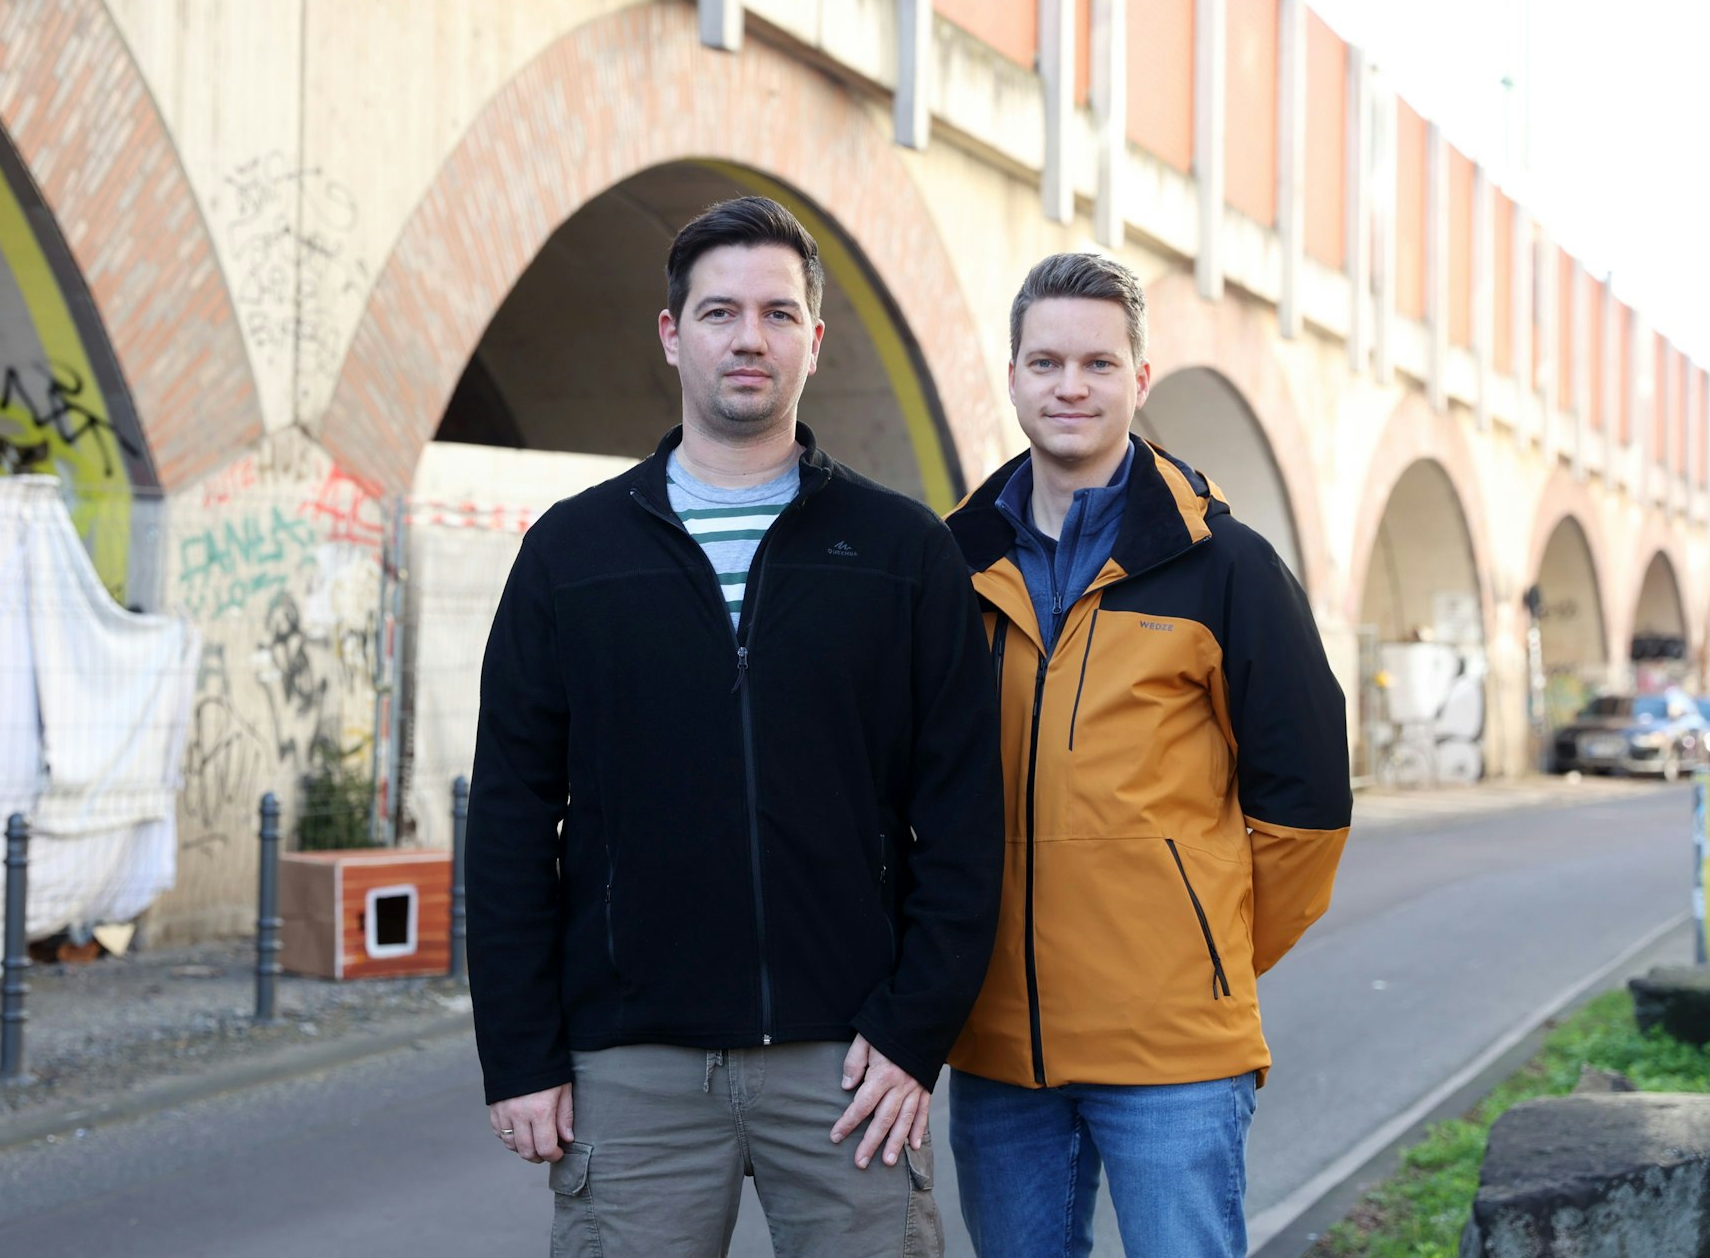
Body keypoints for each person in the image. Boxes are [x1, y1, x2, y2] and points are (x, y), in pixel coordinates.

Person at [465, 195, 1003, 1257]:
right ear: (671, 335)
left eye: (774, 311)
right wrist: (520, 1050)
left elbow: (962, 816)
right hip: (631, 1066)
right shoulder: (573, 553)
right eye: (717, 312)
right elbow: (512, 817)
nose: (746, 336)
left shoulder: (899, 552)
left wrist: (910, 1029)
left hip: (849, 1066)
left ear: (812, 336)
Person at [940, 252, 1352, 1257]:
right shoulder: (948, 564)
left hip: (1171, 1051)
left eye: (1095, 362)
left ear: (1138, 377)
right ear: (1011, 377)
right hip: (996, 1044)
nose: (1068, 386)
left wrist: (1198, 952)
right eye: (1044, 363)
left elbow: (1305, 805)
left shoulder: (1225, 564)